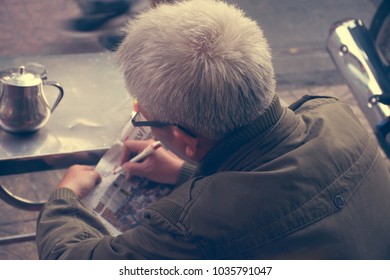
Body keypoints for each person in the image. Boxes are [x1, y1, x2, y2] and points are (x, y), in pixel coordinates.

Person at [36, 0, 390, 259]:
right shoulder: (336, 114)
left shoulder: (190, 229)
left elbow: (71, 264)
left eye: (141, 115)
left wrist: (64, 199)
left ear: (186, 139)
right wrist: (187, 172)